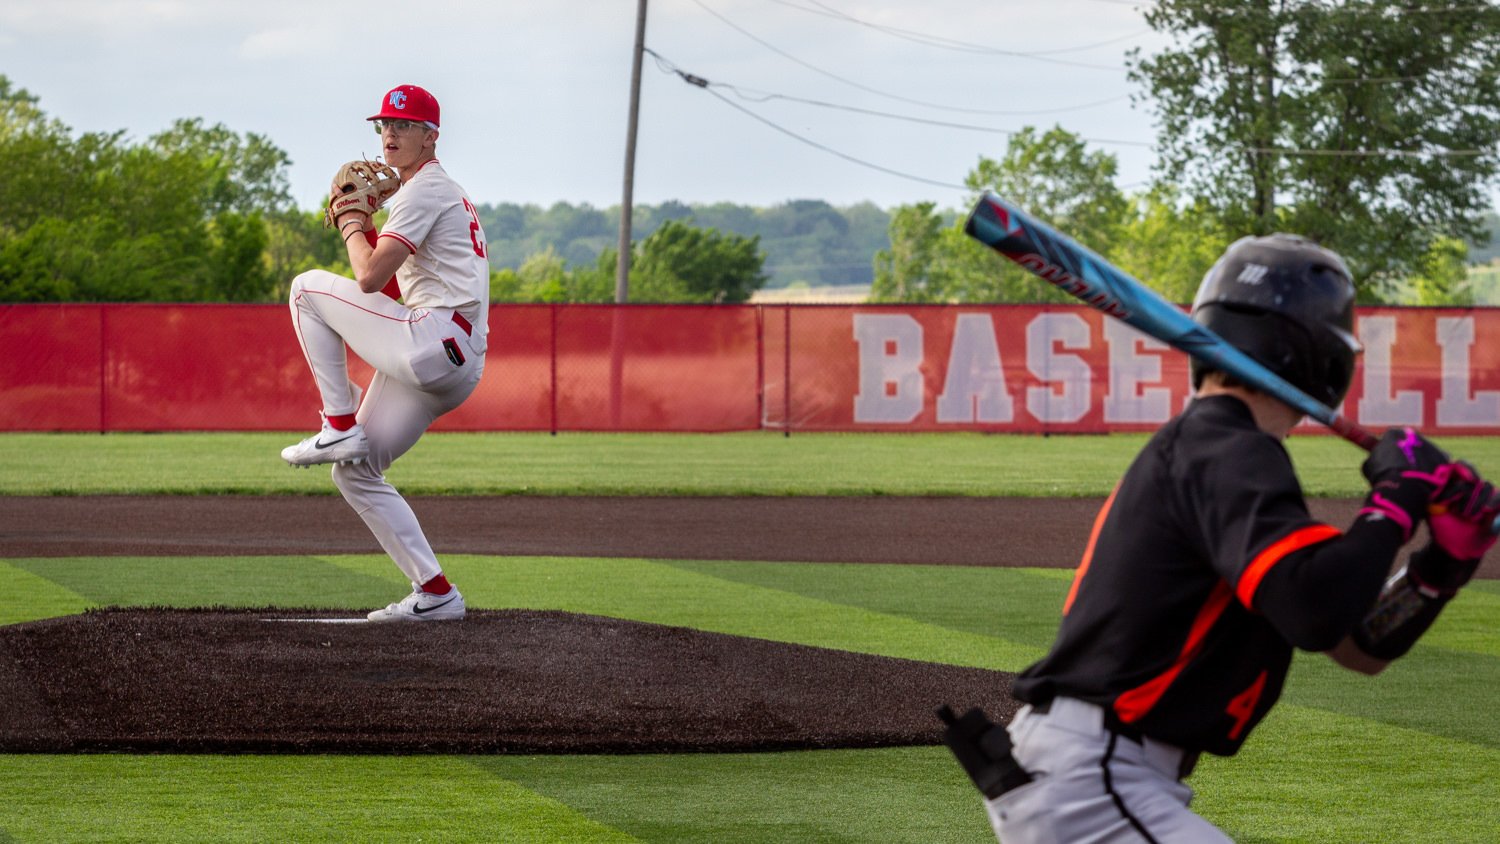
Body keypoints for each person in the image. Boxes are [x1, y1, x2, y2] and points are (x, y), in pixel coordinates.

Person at [949, 233, 1500, 842]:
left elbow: (1355, 644)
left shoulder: (1221, 451)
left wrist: (1443, 564)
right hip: (1093, 779)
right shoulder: (1226, 446)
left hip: (1096, 775)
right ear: (1326, 354)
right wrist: (1398, 496)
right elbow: (1313, 608)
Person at [281, 84, 489, 623]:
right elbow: (395, 295)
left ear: (430, 136)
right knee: (355, 472)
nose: (390, 134)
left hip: (435, 340)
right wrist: (368, 225)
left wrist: (351, 221)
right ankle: (435, 591)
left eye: (403, 125)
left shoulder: (425, 190)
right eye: (383, 126)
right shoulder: (435, 194)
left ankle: (338, 421)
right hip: (448, 354)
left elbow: (370, 279)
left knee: (306, 288)